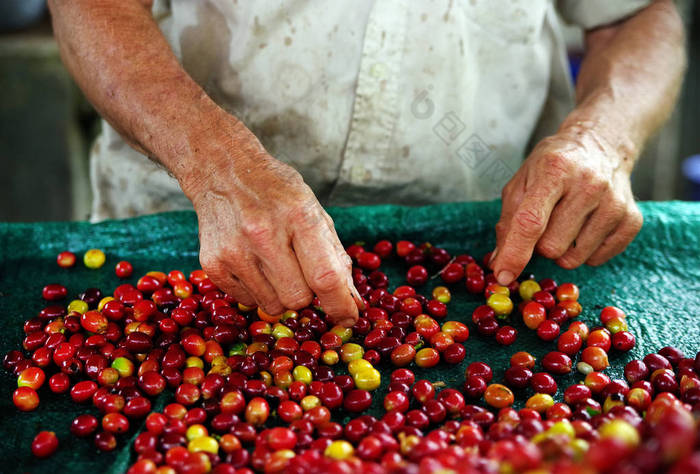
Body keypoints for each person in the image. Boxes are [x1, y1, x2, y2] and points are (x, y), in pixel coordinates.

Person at [48, 0, 685, 327]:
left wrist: (602, 140)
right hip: (194, 219)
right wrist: (218, 169)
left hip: (490, 236)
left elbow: (635, 11)